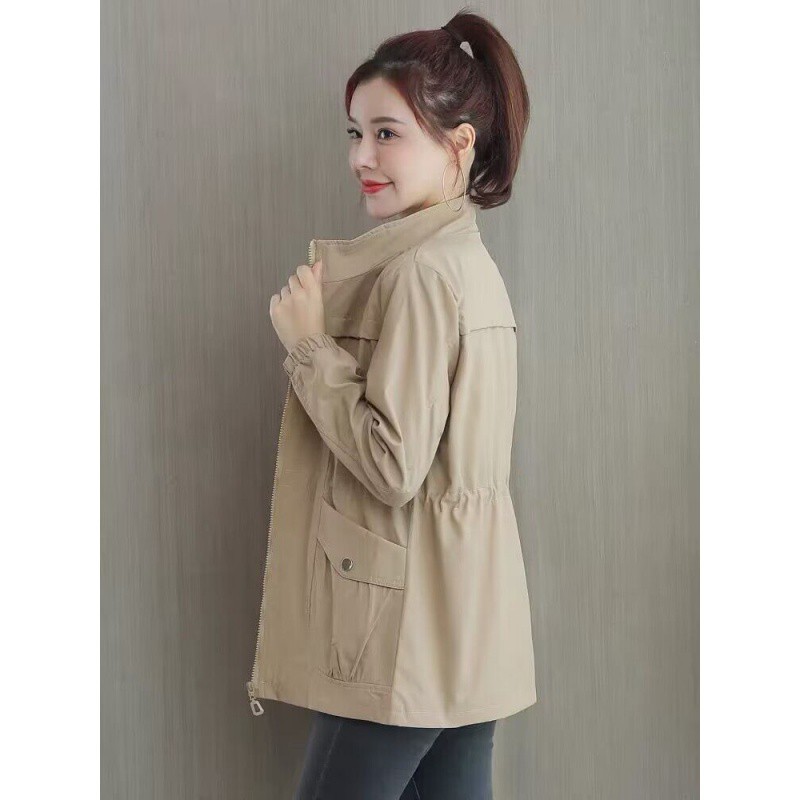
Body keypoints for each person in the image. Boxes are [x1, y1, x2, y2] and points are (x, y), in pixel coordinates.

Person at [250, 9, 535, 799]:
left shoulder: (418, 276)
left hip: (403, 636)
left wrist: (310, 348)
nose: (361, 158)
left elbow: (392, 464)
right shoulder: (467, 263)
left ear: (459, 143)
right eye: (355, 133)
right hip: (468, 624)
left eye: (386, 134)